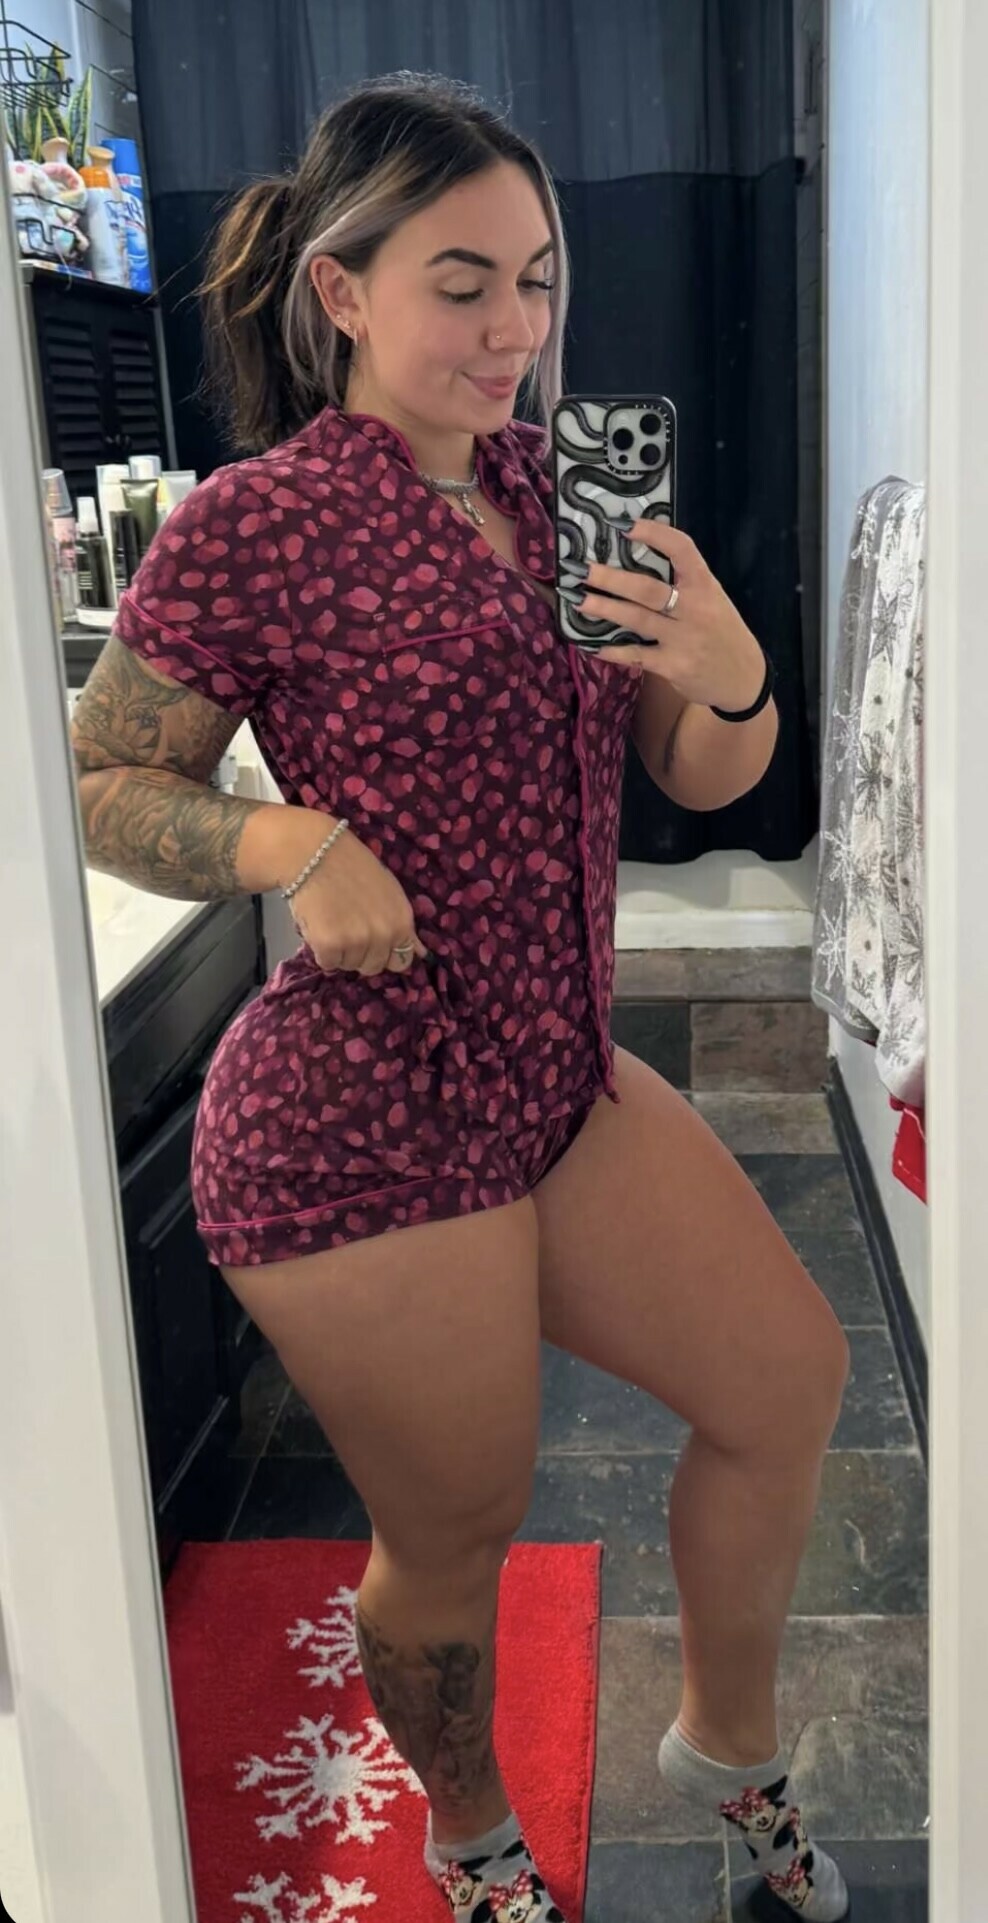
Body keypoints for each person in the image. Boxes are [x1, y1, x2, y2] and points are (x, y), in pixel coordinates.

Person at [71, 72, 850, 1923]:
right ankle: (471, 1828)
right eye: (464, 281)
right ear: (343, 292)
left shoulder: (559, 494)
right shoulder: (255, 525)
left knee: (785, 1383)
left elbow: (700, 774)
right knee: (458, 1530)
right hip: (360, 1120)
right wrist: (290, 843)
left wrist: (732, 669)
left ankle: (725, 1749)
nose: (516, 328)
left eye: (540, 278)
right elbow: (99, 777)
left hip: (559, 1080)